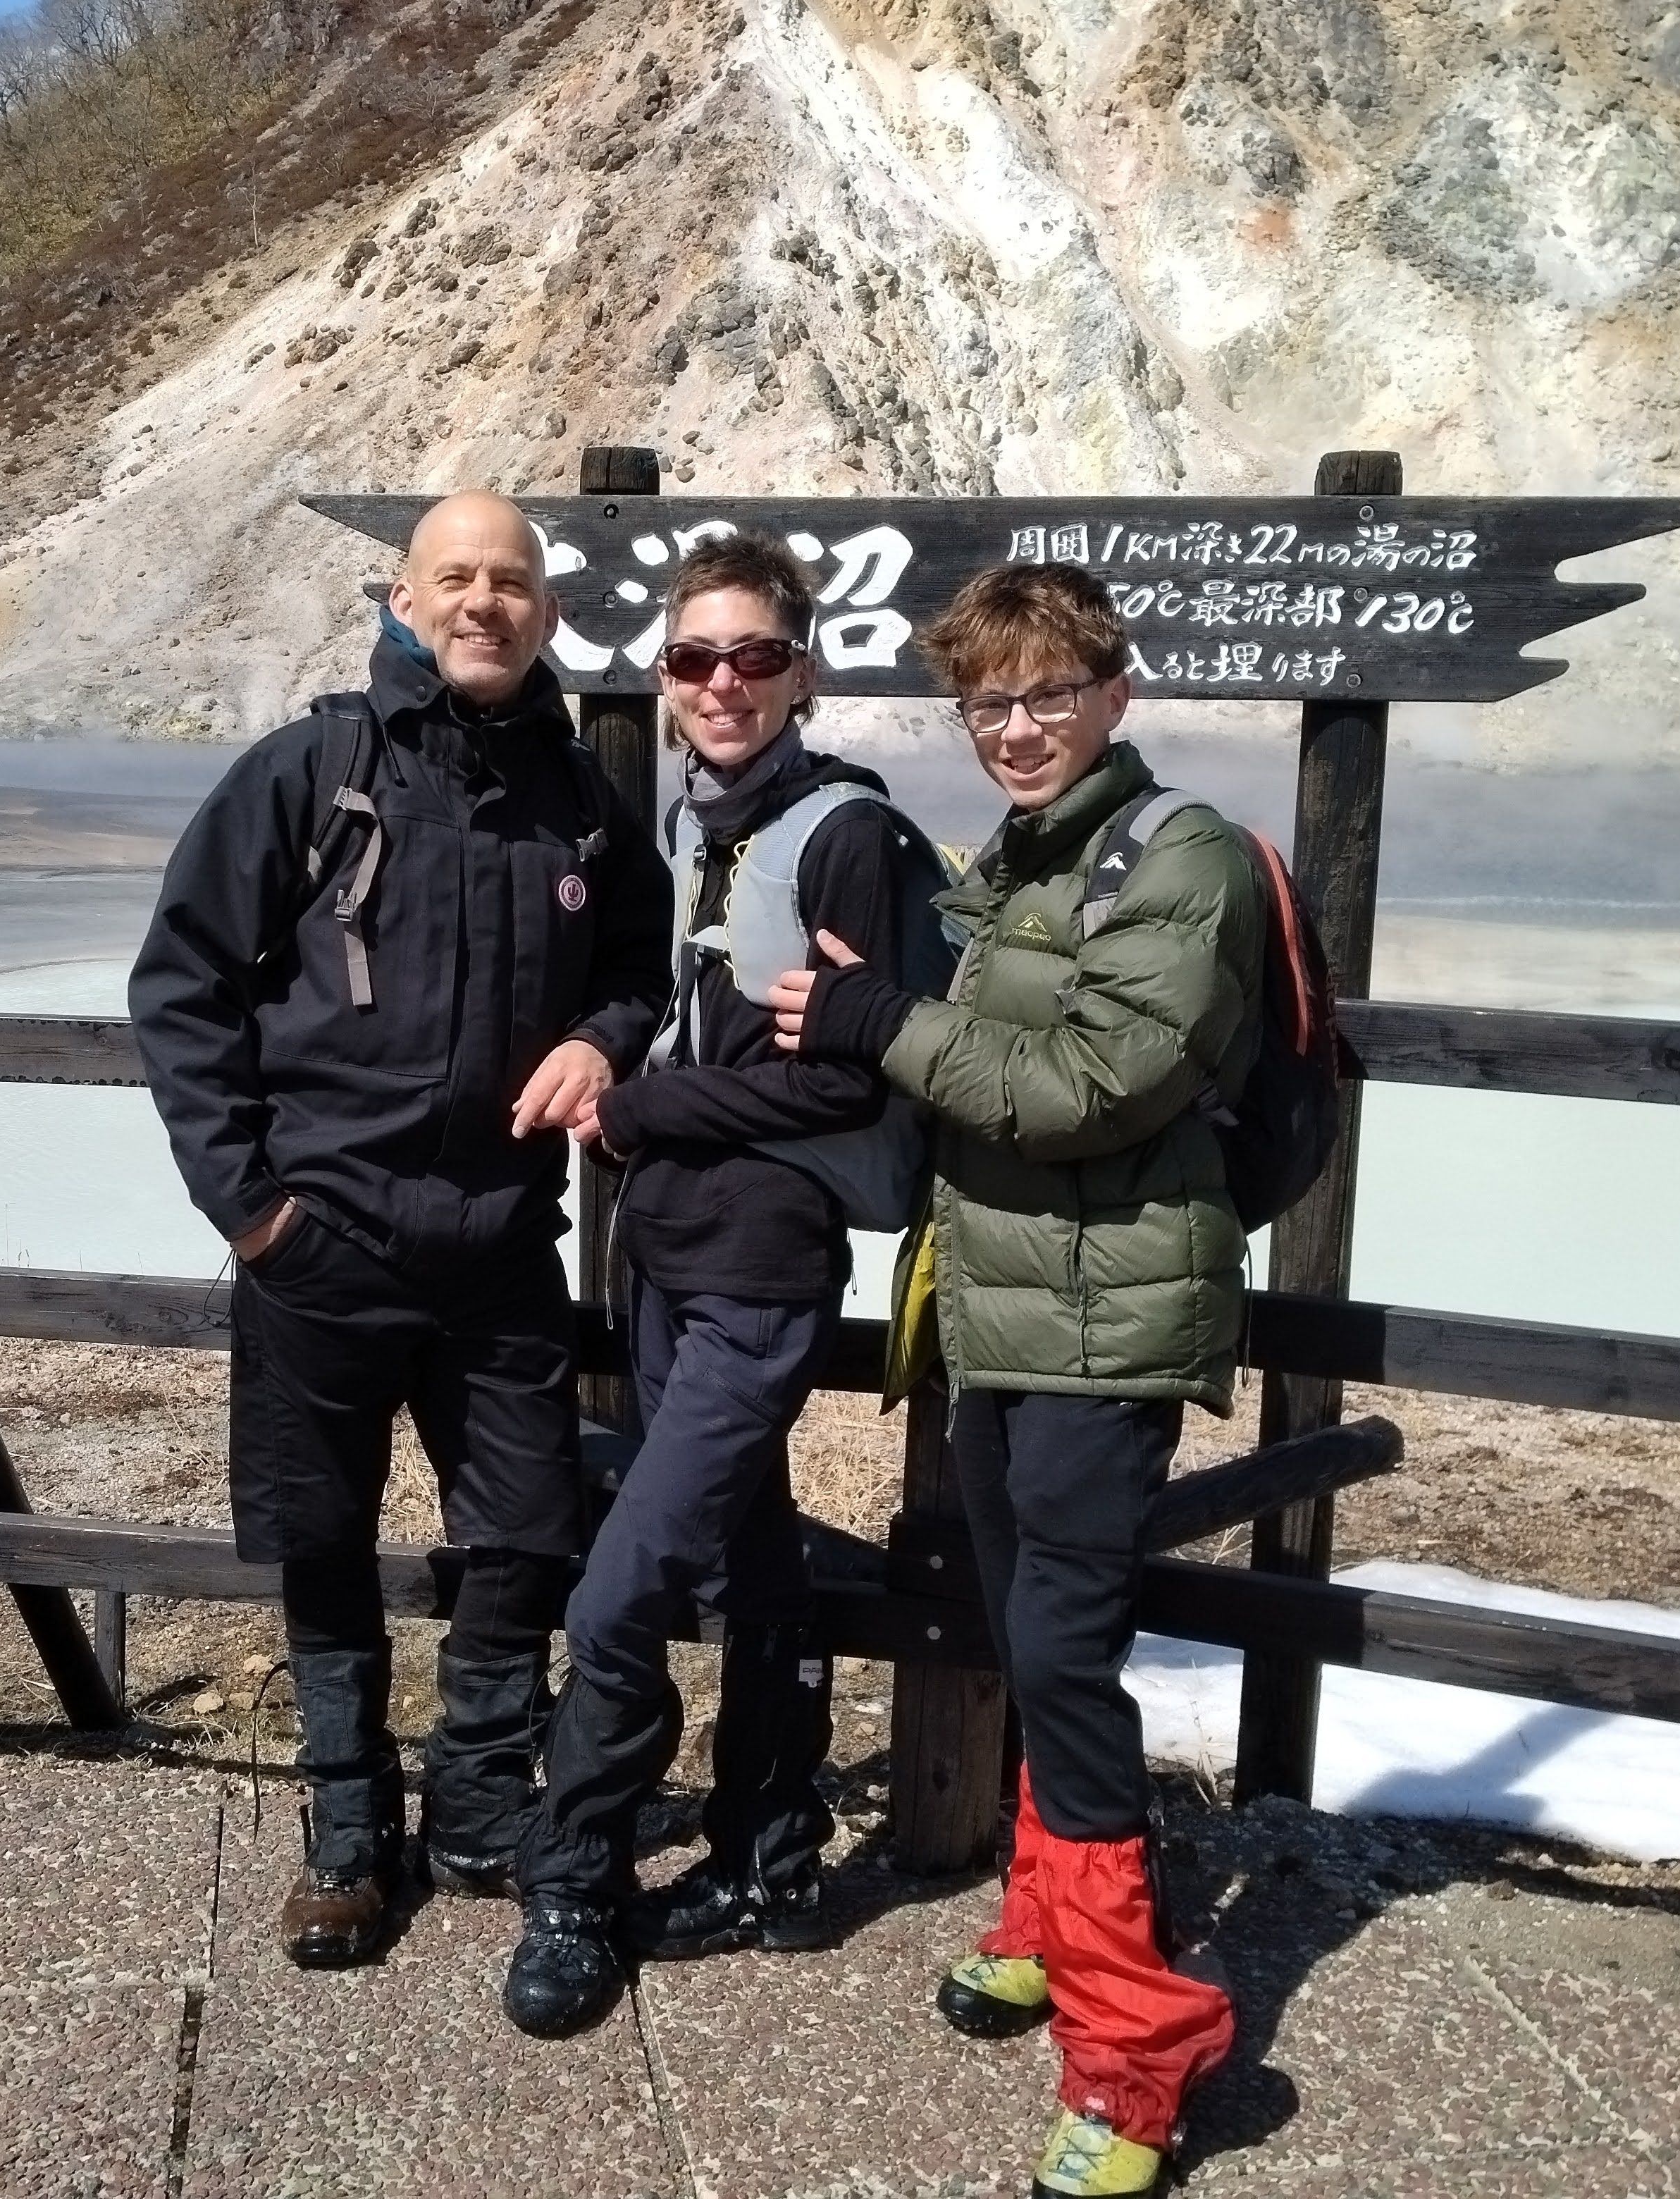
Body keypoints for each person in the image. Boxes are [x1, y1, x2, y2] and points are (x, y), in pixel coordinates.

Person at [128, 491, 672, 1970]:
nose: (483, 602)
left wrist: (608, 1038)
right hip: (325, 1243)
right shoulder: (314, 770)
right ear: (401, 596)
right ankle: (349, 1823)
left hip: (500, 1242)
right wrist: (252, 1211)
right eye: (456, 577)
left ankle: (482, 1800)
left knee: (520, 1536)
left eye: (510, 580)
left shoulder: (575, 794)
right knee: (321, 1539)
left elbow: (636, 960)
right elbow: (180, 987)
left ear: (545, 614)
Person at [770, 562, 1256, 2199]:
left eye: (1051, 691)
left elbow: (1095, 1083)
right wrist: (879, 990)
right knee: (1031, 1639)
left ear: (1116, 693)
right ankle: (1054, 1926)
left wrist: (876, 1018)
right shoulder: (1032, 856)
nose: (1020, 725)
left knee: (1059, 1648)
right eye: (989, 701)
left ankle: (1137, 2054)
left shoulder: (1180, 857)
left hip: (1103, 1330)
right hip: (1001, 1317)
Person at [500, 532, 948, 2038]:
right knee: (753, 1568)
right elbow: (671, 1014)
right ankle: (771, 1853)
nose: (722, 684)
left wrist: (638, 1113)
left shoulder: (847, 839)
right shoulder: (690, 828)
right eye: (695, 660)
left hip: (760, 1273)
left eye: (754, 656)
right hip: (666, 1262)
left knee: (624, 1590)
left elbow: (843, 1077)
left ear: (802, 670)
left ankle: (572, 1877)